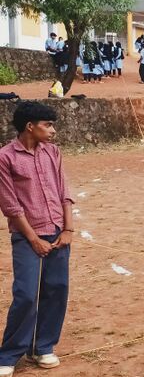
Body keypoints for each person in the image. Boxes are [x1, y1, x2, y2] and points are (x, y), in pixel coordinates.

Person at [0, 102, 74, 377]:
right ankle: (8, 354)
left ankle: (42, 346)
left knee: (57, 289)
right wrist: (33, 240)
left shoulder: (53, 152)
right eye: (48, 125)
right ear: (30, 126)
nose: (53, 131)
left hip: (58, 231)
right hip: (26, 235)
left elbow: (63, 192)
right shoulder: (5, 158)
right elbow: (11, 206)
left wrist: (68, 229)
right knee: (26, 294)